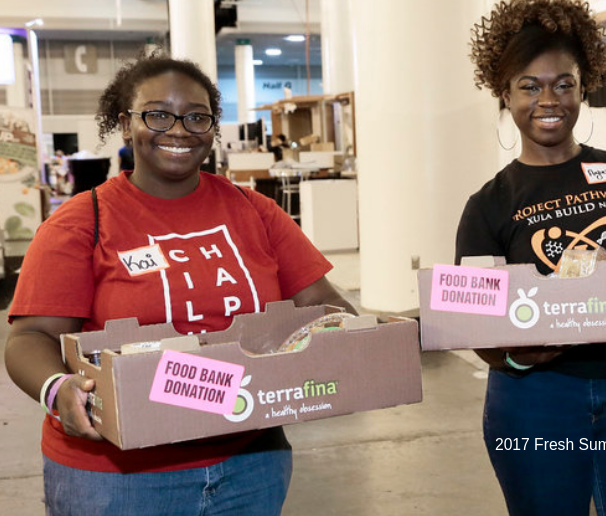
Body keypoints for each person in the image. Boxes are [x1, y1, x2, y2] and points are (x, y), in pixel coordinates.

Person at [5, 54, 355, 516]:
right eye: (157, 114)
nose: (179, 129)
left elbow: (324, 304)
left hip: (249, 461)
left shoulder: (255, 212)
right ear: (125, 125)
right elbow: (30, 337)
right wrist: (58, 388)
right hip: (118, 478)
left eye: (196, 116)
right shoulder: (80, 223)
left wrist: (340, 346)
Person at [458, 0, 606, 516]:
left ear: (583, 86)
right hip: (535, 398)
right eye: (530, 86)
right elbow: (474, 325)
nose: (550, 100)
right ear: (505, 93)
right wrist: (521, 354)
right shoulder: (488, 205)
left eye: (564, 84)